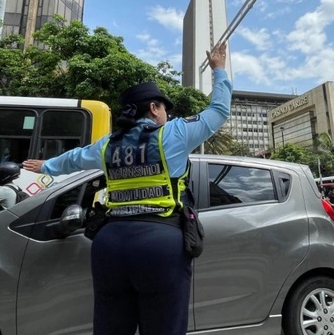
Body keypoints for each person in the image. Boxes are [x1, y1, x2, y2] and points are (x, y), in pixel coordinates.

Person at [22, 42, 231, 335]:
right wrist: (219, 70)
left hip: (109, 245)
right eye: (165, 109)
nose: (167, 115)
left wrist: (46, 166)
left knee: (111, 326)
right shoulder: (174, 133)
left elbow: (75, 159)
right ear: (154, 108)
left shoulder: (109, 144)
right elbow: (219, 110)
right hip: (160, 243)